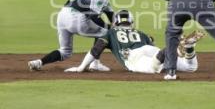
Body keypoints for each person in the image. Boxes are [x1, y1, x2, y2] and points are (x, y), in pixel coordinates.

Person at [28, 0, 130, 71]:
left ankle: (39, 62)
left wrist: (116, 24)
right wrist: (111, 29)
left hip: (62, 16)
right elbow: (94, 17)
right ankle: (95, 64)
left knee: (65, 52)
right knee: (105, 33)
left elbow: (110, 13)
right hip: (75, 18)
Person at [64, 10, 204, 75]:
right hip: (149, 48)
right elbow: (151, 47)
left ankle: (172, 49)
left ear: (115, 22)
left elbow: (96, 50)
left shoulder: (111, 32)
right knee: (190, 68)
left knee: (153, 69)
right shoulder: (141, 33)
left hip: (134, 56)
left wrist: (81, 68)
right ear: (131, 21)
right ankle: (189, 46)